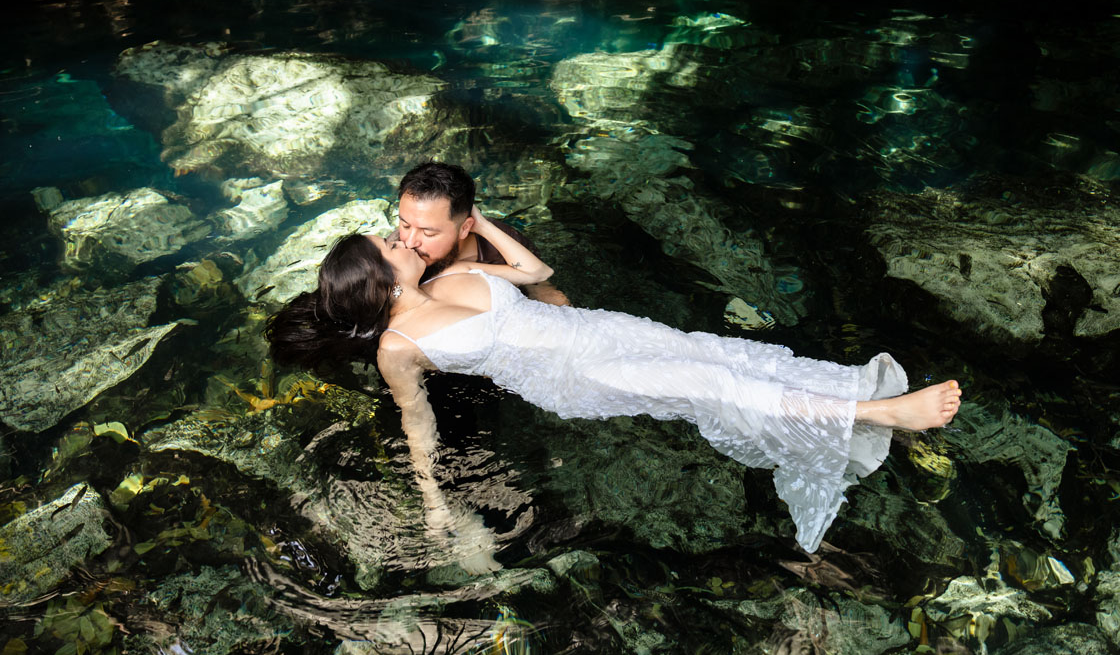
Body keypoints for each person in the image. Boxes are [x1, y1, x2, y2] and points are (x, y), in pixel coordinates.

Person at [268, 208, 962, 566]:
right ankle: (877, 411)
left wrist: (481, 228)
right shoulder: (399, 347)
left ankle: (848, 409)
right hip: (575, 375)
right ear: (384, 283)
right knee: (707, 385)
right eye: (392, 244)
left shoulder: (450, 274)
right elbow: (417, 422)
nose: (404, 238)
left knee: (717, 356)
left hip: (601, 331)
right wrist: (435, 505)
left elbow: (537, 272)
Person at [394, 162, 569, 306]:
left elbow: (543, 282)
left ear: (465, 228)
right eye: (405, 225)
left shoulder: (501, 250)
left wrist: (483, 226)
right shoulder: (398, 245)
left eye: (428, 233)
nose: (409, 242)